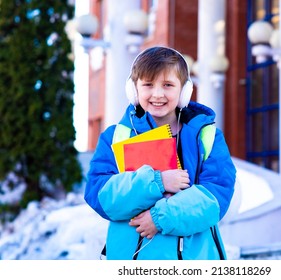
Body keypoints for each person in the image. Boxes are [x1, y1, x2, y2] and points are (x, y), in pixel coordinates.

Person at [84, 46, 236, 260]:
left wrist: (160, 218)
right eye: (148, 84)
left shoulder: (207, 136)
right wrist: (157, 182)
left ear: (184, 91)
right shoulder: (116, 136)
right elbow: (100, 196)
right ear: (134, 90)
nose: (157, 94)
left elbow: (216, 196)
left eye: (167, 85)